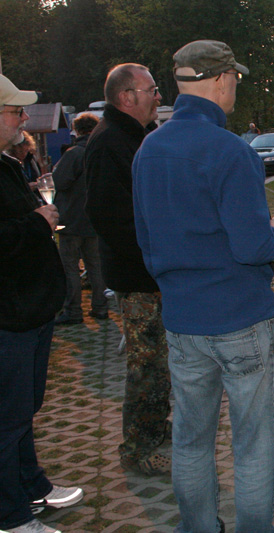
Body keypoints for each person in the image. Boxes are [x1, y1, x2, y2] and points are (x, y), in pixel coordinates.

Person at [132, 40, 274, 533]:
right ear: (222, 80)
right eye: (234, 78)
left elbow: (145, 239)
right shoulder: (230, 150)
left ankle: (197, 527)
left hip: (182, 320)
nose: (235, 86)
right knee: (255, 443)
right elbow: (251, 245)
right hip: (240, 316)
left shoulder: (149, 149)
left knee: (191, 440)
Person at [1, 73, 83, 533]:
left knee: (22, 411)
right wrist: (38, 221)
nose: (22, 118)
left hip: (29, 309)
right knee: (7, 417)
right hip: (9, 315)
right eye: (14, 111)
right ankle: (11, 516)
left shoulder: (8, 164)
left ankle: (30, 486)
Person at [84, 63, 171, 476]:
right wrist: (153, 259)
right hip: (138, 277)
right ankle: (138, 449)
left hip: (150, 272)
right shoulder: (109, 142)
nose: (158, 96)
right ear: (126, 97)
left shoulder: (135, 136)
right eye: (151, 90)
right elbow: (110, 218)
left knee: (159, 363)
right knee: (147, 366)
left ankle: (156, 428)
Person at [52, 112, 108, 326]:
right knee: (96, 267)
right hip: (94, 220)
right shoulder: (101, 152)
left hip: (71, 220)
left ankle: (73, 311)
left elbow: (60, 181)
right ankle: (100, 307)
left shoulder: (74, 153)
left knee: (70, 268)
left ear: (77, 130)